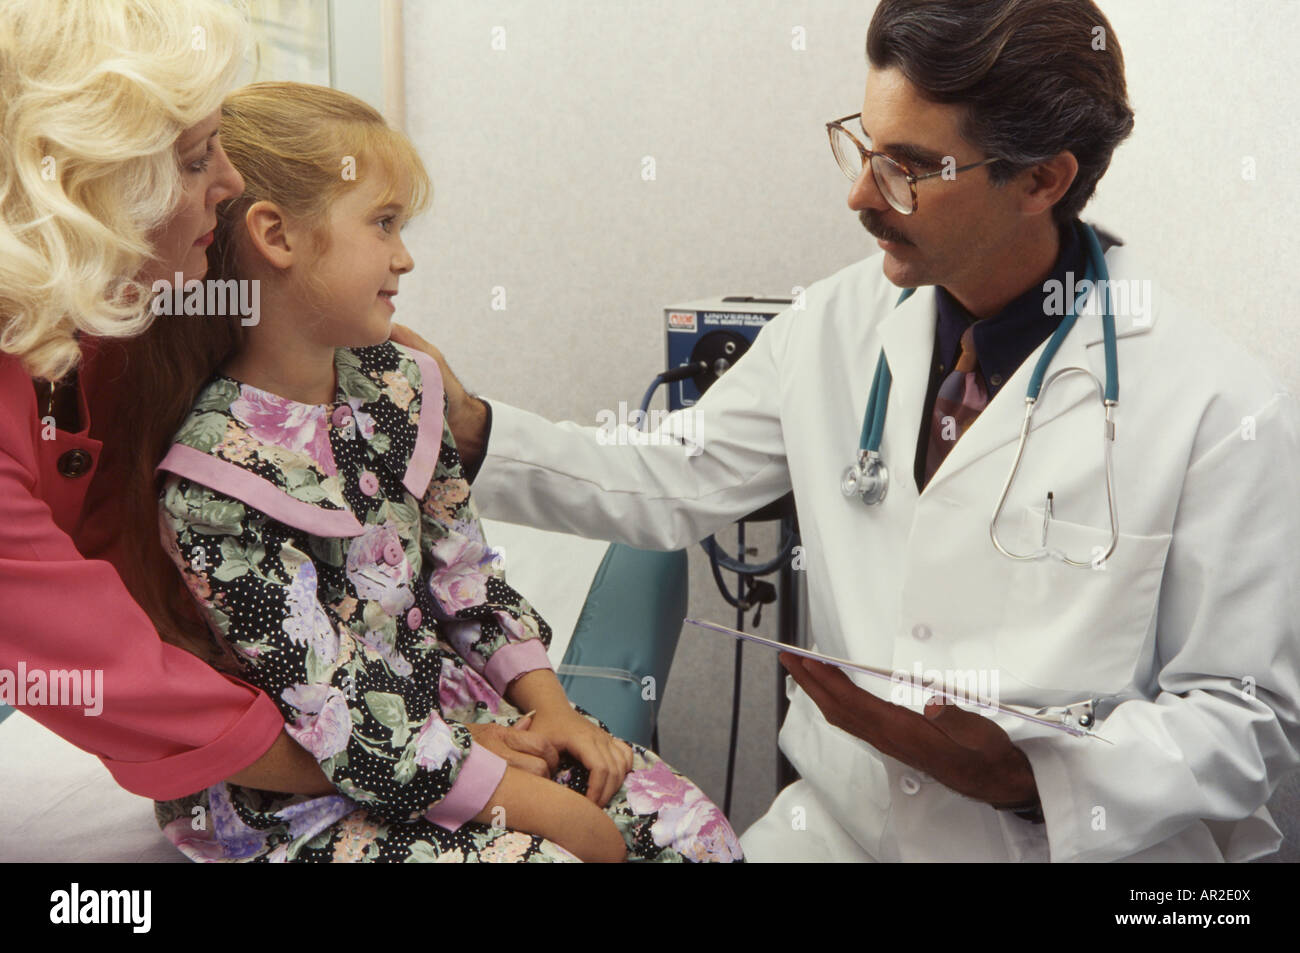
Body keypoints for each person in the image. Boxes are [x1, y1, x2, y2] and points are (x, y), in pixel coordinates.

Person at [418, 0, 1300, 861]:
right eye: (863, 147)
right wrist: (475, 430)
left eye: (909, 167)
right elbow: (673, 473)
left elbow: (1246, 720)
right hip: (845, 826)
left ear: (1042, 179)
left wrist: (1032, 776)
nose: (858, 194)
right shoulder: (835, 322)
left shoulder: (1217, 406)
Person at [138, 81, 742, 863]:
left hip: (448, 723)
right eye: (383, 223)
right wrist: (535, 806)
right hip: (305, 787)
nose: (404, 256)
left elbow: (467, 575)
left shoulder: (399, 386)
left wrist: (551, 709)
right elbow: (330, 701)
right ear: (276, 235)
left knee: (693, 831)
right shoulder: (214, 480)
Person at [0, 0, 332, 812]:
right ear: (80, 186)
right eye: (192, 160)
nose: (230, 180)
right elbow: (114, 678)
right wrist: (406, 764)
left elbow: (117, 551)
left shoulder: (99, 325)